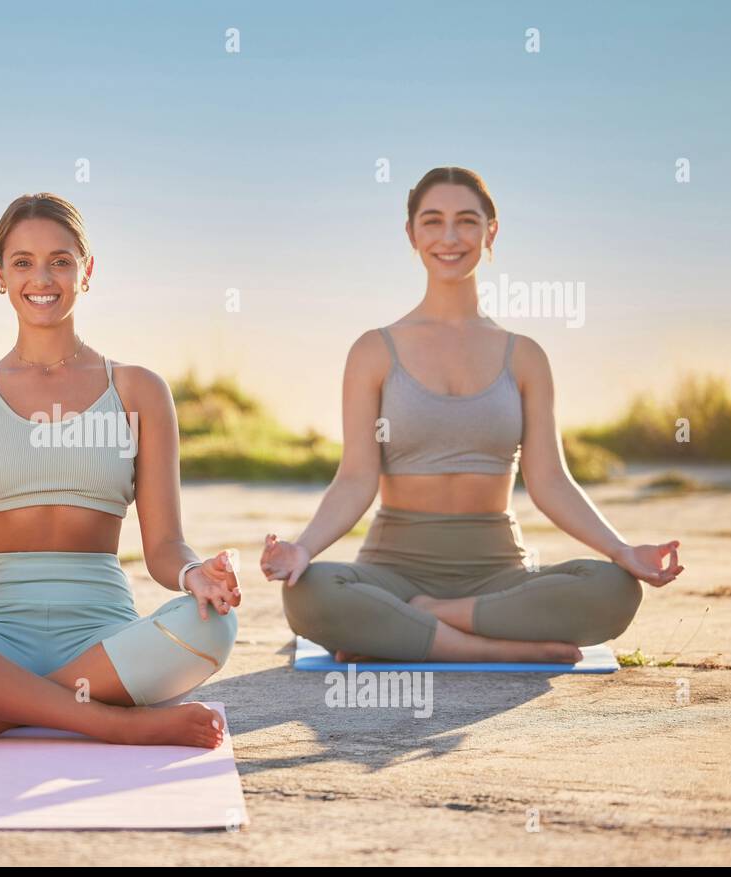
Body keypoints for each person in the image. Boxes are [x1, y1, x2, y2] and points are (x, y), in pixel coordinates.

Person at [0, 193, 239, 748]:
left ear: (87, 272)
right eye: (23, 261)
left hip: (102, 640)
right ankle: (114, 722)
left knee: (214, 624)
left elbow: (165, 547)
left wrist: (195, 574)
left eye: (60, 260)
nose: (43, 278)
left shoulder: (138, 390)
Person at [261, 167, 682, 663]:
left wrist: (623, 552)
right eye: (433, 221)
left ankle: (420, 625)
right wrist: (303, 550)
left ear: (491, 231)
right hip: (392, 569)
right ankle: (501, 648)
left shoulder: (524, 356)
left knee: (614, 589)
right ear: (412, 233)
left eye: (466, 221)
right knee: (310, 593)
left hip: (497, 575)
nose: (450, 237)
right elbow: (355, 478)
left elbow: (550, 481)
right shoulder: (374, 351)